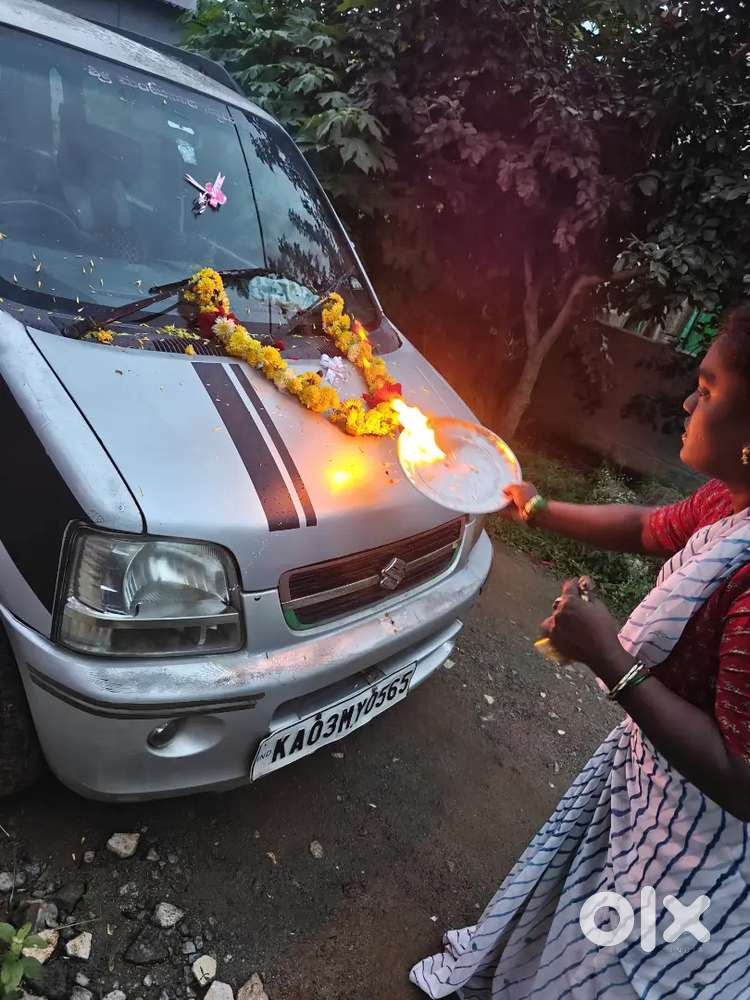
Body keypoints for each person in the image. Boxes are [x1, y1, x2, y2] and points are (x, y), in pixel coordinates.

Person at [410, 306, 750, 999]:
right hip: (652, 789)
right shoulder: (732, 502)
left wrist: (609, 658)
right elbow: (650, 526)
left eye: (709, 391)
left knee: (620, 969)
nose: (688, 401)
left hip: (700, 845)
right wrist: (535, 508)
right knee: (576, 920)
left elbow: (743, 781)